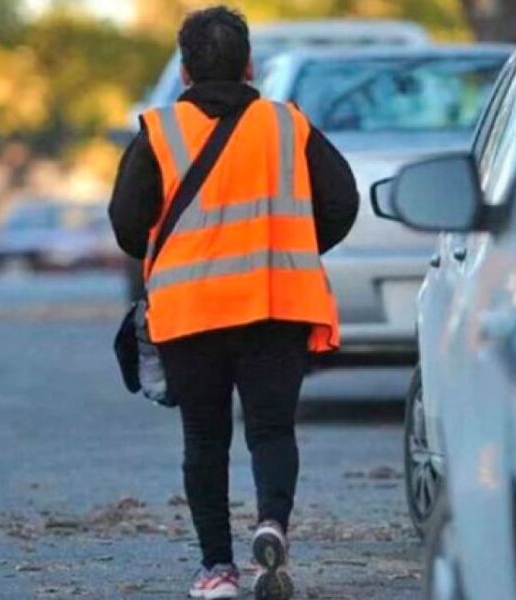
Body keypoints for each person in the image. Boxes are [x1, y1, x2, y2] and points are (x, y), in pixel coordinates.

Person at [108, 6, 358, 599]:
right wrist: (290, 241)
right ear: (250, 66)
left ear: (186, 71)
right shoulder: (287, 124)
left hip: (190, 312)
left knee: (205, 438)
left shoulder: (159, 131)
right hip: (276, 303)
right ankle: (271, 524)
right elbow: (342, 202)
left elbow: (125, 225)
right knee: (272, 430)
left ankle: (217, 569)